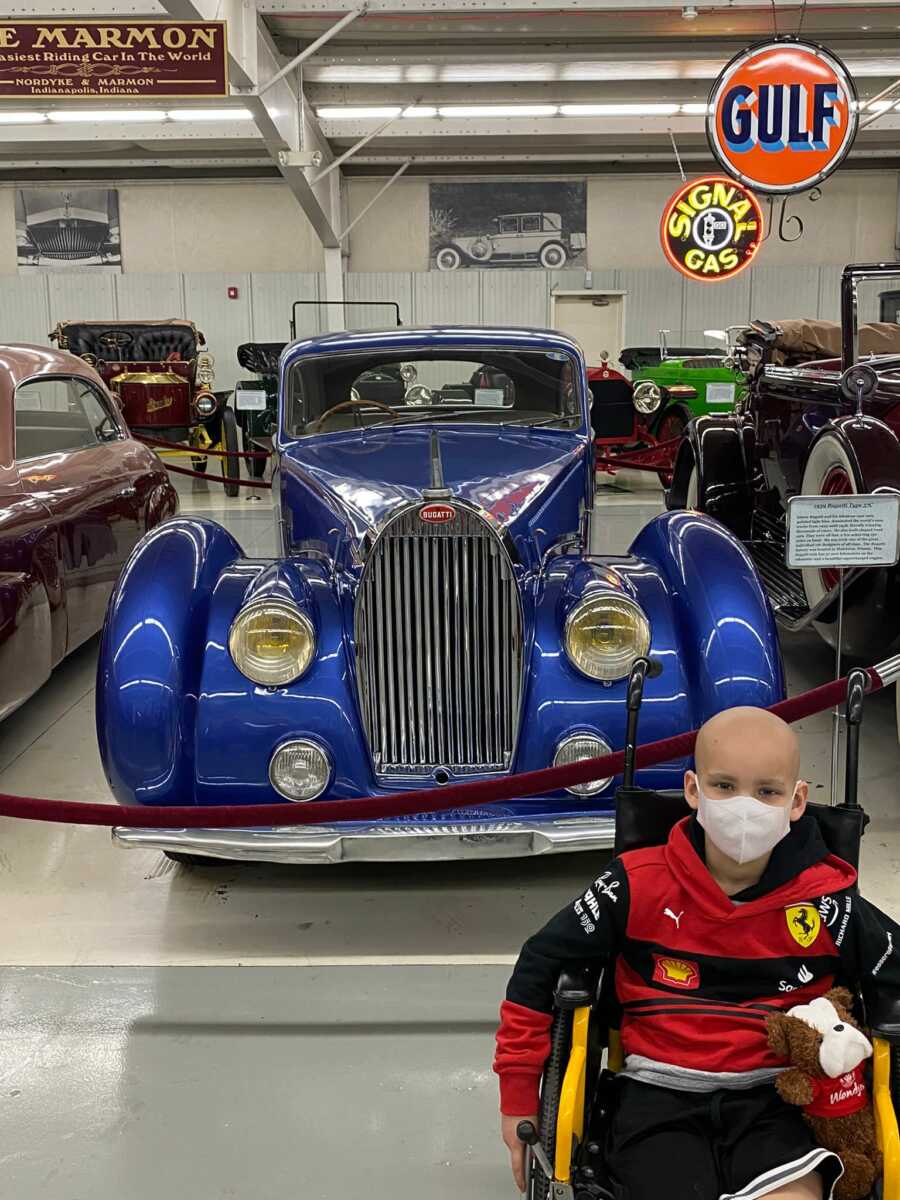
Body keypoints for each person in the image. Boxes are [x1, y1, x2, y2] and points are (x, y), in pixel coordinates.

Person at [494, 706, 900, 1200]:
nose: (744, 807)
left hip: (776, 1095)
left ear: (796, 802)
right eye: (724, 786)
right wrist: (518, 1095)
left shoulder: (826, 902)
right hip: (655, 1093)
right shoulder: (634, 884)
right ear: (693, 790)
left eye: (767, 791)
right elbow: (542, 962)